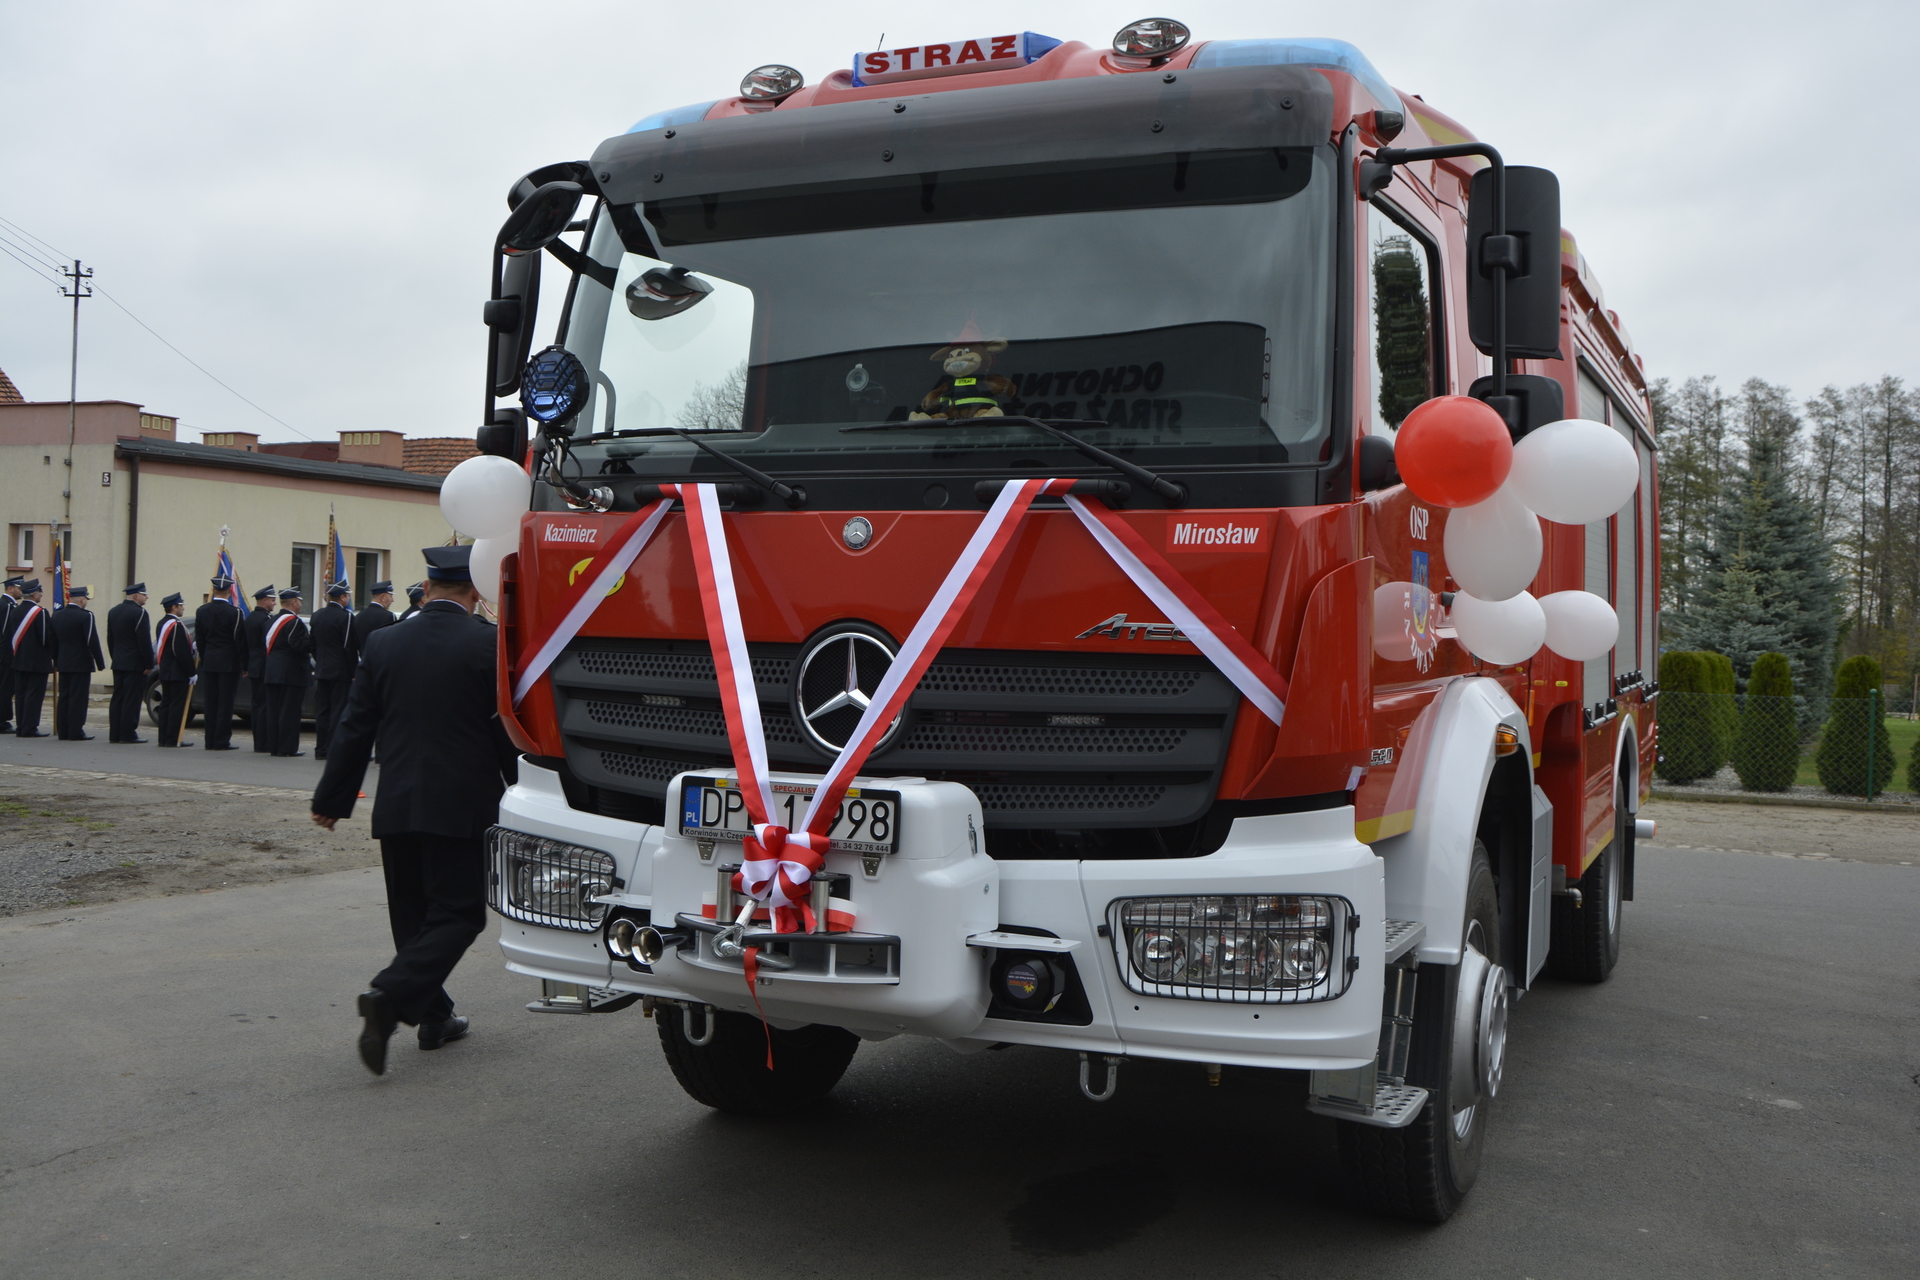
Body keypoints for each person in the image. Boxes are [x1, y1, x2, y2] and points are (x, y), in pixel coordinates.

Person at [312, 546, 517, 1075]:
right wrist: (526, 794)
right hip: (461, 806)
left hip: (398, 802)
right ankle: (390, 996)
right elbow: (505, 734)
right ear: (474, 592)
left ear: (425, 590)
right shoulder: (488, 643)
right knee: (459, 913)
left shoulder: (383, 642)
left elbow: (355, 726)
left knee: (412, 915)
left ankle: (434, 1017)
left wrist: (333, 800)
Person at [194, 576, 247, 750]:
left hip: (209, 661)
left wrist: (205, 656)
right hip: (229, 664)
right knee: (225, 703)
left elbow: (200, 639)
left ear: (214, 590)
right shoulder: (235, 613)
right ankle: (221, 740)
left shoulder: (202, 611)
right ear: (230, 591)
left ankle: (210, 740)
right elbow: (239, 641)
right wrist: (245, 665)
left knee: (210, 702)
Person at [51, 586, 105, 741]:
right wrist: (99, 662)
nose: (86, 602)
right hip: (81, 663)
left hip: (63, 662)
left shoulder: (57, 615)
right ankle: (75, 731)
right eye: (86, 599)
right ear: (82, 599)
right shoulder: (86, 616)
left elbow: (52, 641)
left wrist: (56, 660)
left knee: (65, 697)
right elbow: (92, 640)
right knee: (78, 698)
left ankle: (63, 730)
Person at [262, 587, 311, 757]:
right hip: (290, 673)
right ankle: (287, 747)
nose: (301, 604)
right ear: (294, 602)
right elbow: (298, 646)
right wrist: (312, 642)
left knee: (274, 711)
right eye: (300, 601)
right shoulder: (294, 622)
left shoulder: (270, 621)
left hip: (272, 671)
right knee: (289, 712)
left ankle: (274, 746)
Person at [310, 581, 355, 760]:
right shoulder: (346, 617)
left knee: (323, 711)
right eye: (348, 596)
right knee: (338, 711)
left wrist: (320, 660)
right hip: (340, 671)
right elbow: (349, 647)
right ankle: (333, 749)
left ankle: (320, 749)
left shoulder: (317, 615)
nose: (348, 599)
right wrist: (353, 672)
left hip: (322, 670)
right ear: (342, 597)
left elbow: (312, 644)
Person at [106, 582, 155, 744]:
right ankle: (128, 733)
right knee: (131, 699)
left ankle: (115, 733)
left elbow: (110, 639)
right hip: (135, 665)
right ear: (135, 596)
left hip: (119, 662)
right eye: (144, 594)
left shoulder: (114, 611)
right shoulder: (140, 613)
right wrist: (149, 663)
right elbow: (144, 641)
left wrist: (116, 657)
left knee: (118, 698)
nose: (146, 597)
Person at [154, 592, 197, 748]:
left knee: (166, 704)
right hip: (177, 672)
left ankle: (163, 738)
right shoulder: (176, 625)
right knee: (176, 706)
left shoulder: (162, 623)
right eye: (181, 606)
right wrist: (191, 672)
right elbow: (180, 651)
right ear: (174, 607)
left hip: (165, 670)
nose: (183, 609)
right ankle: (173, 738)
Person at [10, 581, 52, 737]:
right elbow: (45, 638)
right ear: (35, 594)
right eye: (40, 592)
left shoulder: (15, 611)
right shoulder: (39, 612)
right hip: (37, 662)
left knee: (21, 695)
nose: (41, 595)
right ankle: (30, 727)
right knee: (34, 696)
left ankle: (21, 726)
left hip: (18, 660)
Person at [244, 585, 277, 753]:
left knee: (257, 705)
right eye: (272, 600)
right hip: (264, 666)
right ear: (264, 601)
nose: (275, 603)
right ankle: (264, 743)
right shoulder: (266, 620)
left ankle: (259, 741)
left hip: (254, 666)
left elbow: (243, 645)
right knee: (264, 706)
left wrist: (245, 666)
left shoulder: (249, 618)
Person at [348, 580, 397, 663]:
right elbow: (393, 645)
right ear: (383, 597)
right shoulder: (389, 617)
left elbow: (353, 646)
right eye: (390, 596)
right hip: (383, 666)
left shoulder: (359, 616)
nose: (392, 600)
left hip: (365, 666)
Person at [0, 577, 24, 734]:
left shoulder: (9, 604)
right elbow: (7, 632)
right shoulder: (7, 606)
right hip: (6, 654)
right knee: (5, 688)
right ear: (10, 589)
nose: (21, 591)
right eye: (18, 587)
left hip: (5, 654)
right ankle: (2, 721)